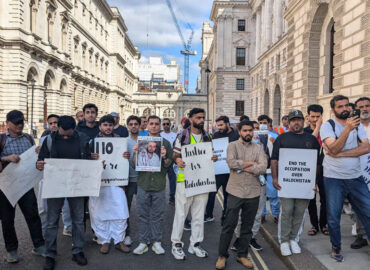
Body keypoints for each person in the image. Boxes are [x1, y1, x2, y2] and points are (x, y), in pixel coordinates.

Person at [37, 116, 91, 270]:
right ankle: (50, 255)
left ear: (74, 129)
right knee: (52, 221)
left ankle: (78, 250)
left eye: (69, 134)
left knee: (78, 220)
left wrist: (94, 163)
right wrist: (39, 164)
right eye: (63, 134)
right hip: (55, 185)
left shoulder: (83, 139)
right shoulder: (49, 140)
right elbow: (41, 159)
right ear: (57, 128)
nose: (66, 136)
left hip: (77, 185)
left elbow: (87, 159)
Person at [320, 95, 370, 262]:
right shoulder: (328, 126)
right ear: (333, 110)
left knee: (368, 212)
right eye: (339, 106)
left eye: (346, 105)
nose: (344, 109)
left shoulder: (356, 124)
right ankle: (336, 247)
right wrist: (347, 129)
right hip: (334, 179)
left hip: (356, 177)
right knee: (334, 217)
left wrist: (341, 154)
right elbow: (332, 148)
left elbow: (365, 148)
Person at [216, 120, 267, 270]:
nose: (248, 133)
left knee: (247, 226)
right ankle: (222, 256)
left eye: (250, 130)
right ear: (239, 132)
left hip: (253, 192)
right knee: (229, 225)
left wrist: (244, 166)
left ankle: (242, 255)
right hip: (235, 191)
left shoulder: (259, 147)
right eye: (245, 131)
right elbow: (231, 163)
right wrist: (251, 163)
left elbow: (263, 167)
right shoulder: (232, 146)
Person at [271, 110, 321, 257]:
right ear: (289, 122)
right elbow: (274, 160)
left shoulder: (311, 139)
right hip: (286, 183)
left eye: (299, 119)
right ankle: (284, 240)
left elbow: (317, 163)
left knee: (300, 212)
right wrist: (274, 178)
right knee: (286, 211)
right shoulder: (282, 138)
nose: (296, 122)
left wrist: (315, 182)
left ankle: (294, 239)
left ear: (303, 121)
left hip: (305, 184)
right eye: (293, 120)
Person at [171, 108, 217, 260]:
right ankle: (176, 244)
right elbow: (174, 155)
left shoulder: (207, 137)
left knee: (198, 215)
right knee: (181, 214)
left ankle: (195, 244)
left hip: (202, 181)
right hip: (184, 181)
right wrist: (177, 160)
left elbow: (210, 155)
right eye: (198, 118)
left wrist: (214, 158)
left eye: (203, 117)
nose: (201, 120)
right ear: (190, 119)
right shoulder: (182, 136)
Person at [0, 110, 45, 264]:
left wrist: (38, 153)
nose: (20, 125)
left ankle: (39, 246)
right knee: (7, 220)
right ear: (8, 124)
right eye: (16, 122)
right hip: (5, 188)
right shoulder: (1, 139)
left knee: (33, 216)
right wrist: (6, 158)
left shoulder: (28, 138)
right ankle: (12, 251)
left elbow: (35, 160)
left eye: (21, 121)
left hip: (25, 185)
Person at [89, 115, 130, 254]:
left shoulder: (121, 141)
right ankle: (104, 240)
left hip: (116, 182)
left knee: (119, 211)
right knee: (99, 211)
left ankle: (119, 241)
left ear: (114, 126)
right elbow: (84, 161)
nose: (107, 127)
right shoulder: (92, 142)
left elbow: (125, 161)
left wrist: (126, 156)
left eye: (110, 125)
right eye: (105, 125)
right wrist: (90, 156)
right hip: (99, 183)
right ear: (100, 126)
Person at [132, 115, 173, 255]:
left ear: (160, 125)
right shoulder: (141, 142)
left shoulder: (166, 143)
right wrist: (135, 153)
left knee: (158, 215)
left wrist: (165, 156)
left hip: (159, 185)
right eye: (151, 123)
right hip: (143, 184)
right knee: (142, 214)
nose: (154, 126)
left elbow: (169, 164)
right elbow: (133, 164)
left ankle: (157, 242)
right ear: (147, 125)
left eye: (157, 123)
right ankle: (143, 242)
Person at [37, 114, 73, 238]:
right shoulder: (44, 139)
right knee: (43, 208)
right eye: (51, 123)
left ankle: (68, 227)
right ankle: (44, 232)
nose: (53, 125)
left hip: (65, 178)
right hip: (47, 178)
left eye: (56, 123)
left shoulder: (70, 138)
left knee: (66, 206)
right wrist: (39, 162)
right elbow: (39, 161)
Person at [205, 116, 239, 224]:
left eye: (221, 125)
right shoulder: (216, 135)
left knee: (227, 195)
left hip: (231, 171)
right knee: (211, 193)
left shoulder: (236, 135)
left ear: (228, 124)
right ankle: (208, 214)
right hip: (218, 170)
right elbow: (213, 150)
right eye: (217, 125)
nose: (219, 128)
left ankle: (225, 216)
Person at [304, 105, 328, 237]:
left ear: (321, 116)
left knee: (325, 198)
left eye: (317, 117)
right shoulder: (305, 131)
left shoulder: (328, 129)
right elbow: (310, 144)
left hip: (325, 169)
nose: (314, 119)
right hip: (310, 169)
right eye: (312, 116)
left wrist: (320, 127)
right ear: (307, 116)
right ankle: (314, 225)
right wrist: (317, 127)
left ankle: (323, 224)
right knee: (311, 199)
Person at [350, 97, 370, 249]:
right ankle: (361, 235)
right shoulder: (352, 128)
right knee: (360, 205)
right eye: (361, 107)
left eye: (367, 106)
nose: (364, 109)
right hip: (358, 172)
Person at [258, 115, 279, 223]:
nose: (262, 125)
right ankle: (262, 214)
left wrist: (275, 142)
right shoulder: (256, 136)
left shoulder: (275, 135)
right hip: (261, 171)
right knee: (262, 193)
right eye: (260, 123)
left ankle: (276, 214)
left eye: (264, 122)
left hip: (271, 170)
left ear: (269, 123)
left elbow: (280, 151)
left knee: (273, 193)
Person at [124, 115, 141, 247]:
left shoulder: (146, 140)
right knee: (126, 208)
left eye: (136, 124)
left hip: (142, 179)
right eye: (131, 124)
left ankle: (144, 235)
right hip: (128, 179)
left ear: (139, 125)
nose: (133, 126)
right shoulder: (123, 142)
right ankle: (126, 234)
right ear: (128, 126)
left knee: (144, 208)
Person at [160, 118, 177, 204]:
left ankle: (172, 196)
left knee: (172, 180)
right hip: (161, 161)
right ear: (162, 125)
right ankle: (160, 197)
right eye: (164, 124)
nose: (166, 125)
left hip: (172, 160)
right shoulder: (159, 135)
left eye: (167, 124)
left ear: (170, 125)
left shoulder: (175, 135)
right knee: (160, 180)